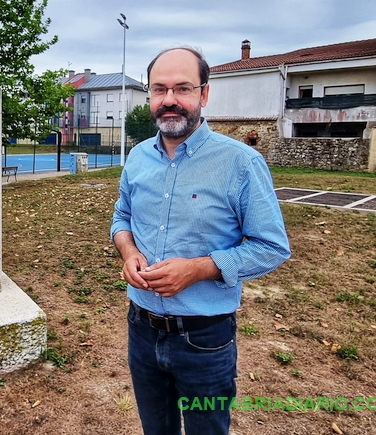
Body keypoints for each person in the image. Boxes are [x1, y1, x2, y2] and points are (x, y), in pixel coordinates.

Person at [110, 47, 291, 435]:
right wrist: (128, 251)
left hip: (205, 340)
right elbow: (121, 216)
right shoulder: (138, 157)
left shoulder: (241, 163)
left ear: (204, 95)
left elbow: (272, 245)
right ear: (150, 97)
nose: (169, 100)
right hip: (141, 329)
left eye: (182, 89)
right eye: (159, 90)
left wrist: (198, 269)